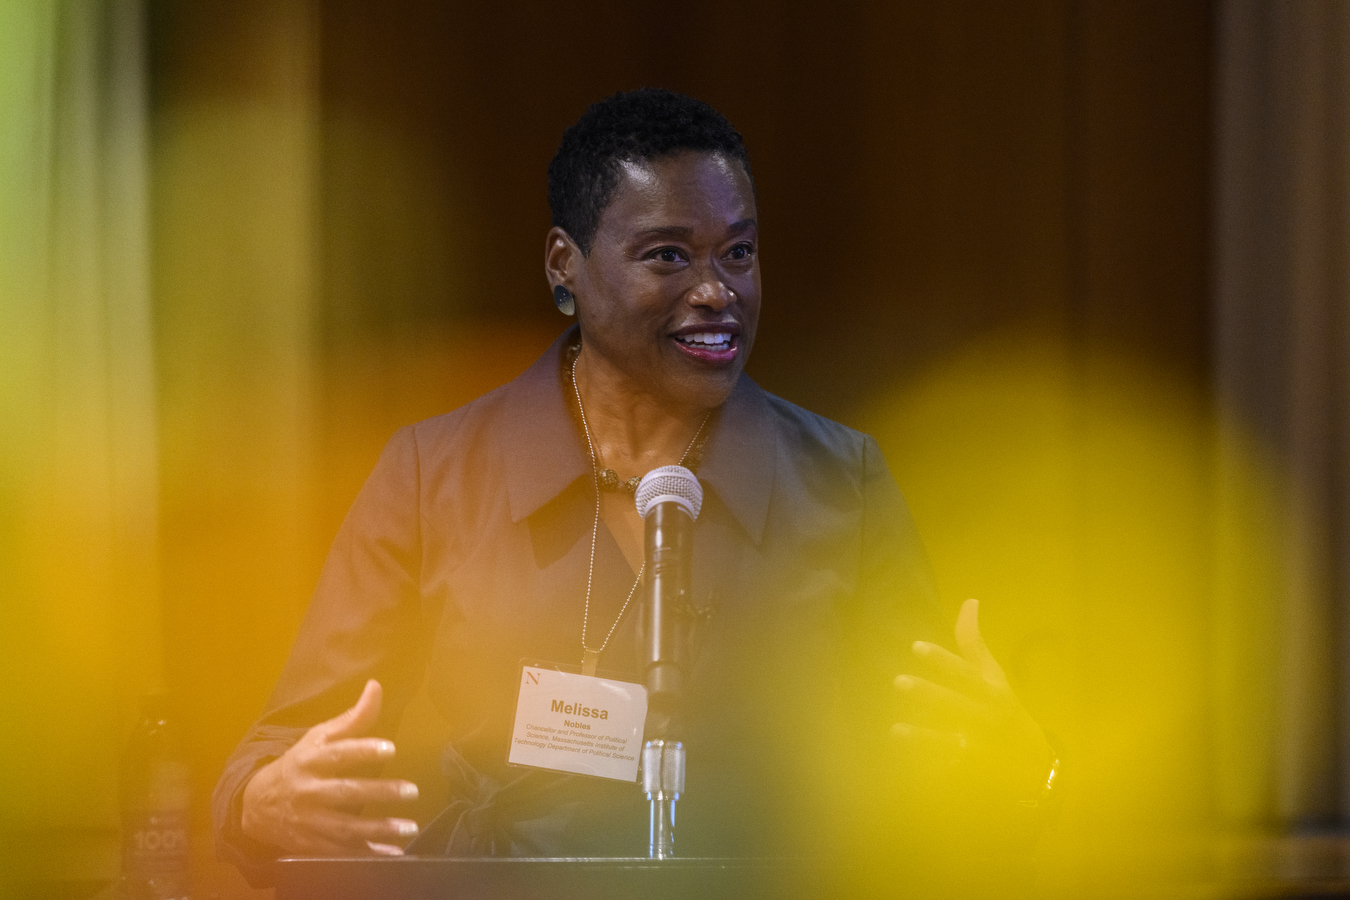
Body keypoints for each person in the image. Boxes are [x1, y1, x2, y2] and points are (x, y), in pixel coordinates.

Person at [213, 88, 1055, 885]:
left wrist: (1019, 774)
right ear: (564, 264)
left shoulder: (844, 483)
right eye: (668, 256)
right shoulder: (434, 475)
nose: (716, 292)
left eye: (740, 252)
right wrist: (265, 802)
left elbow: (935, 775)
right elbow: (280, 756)